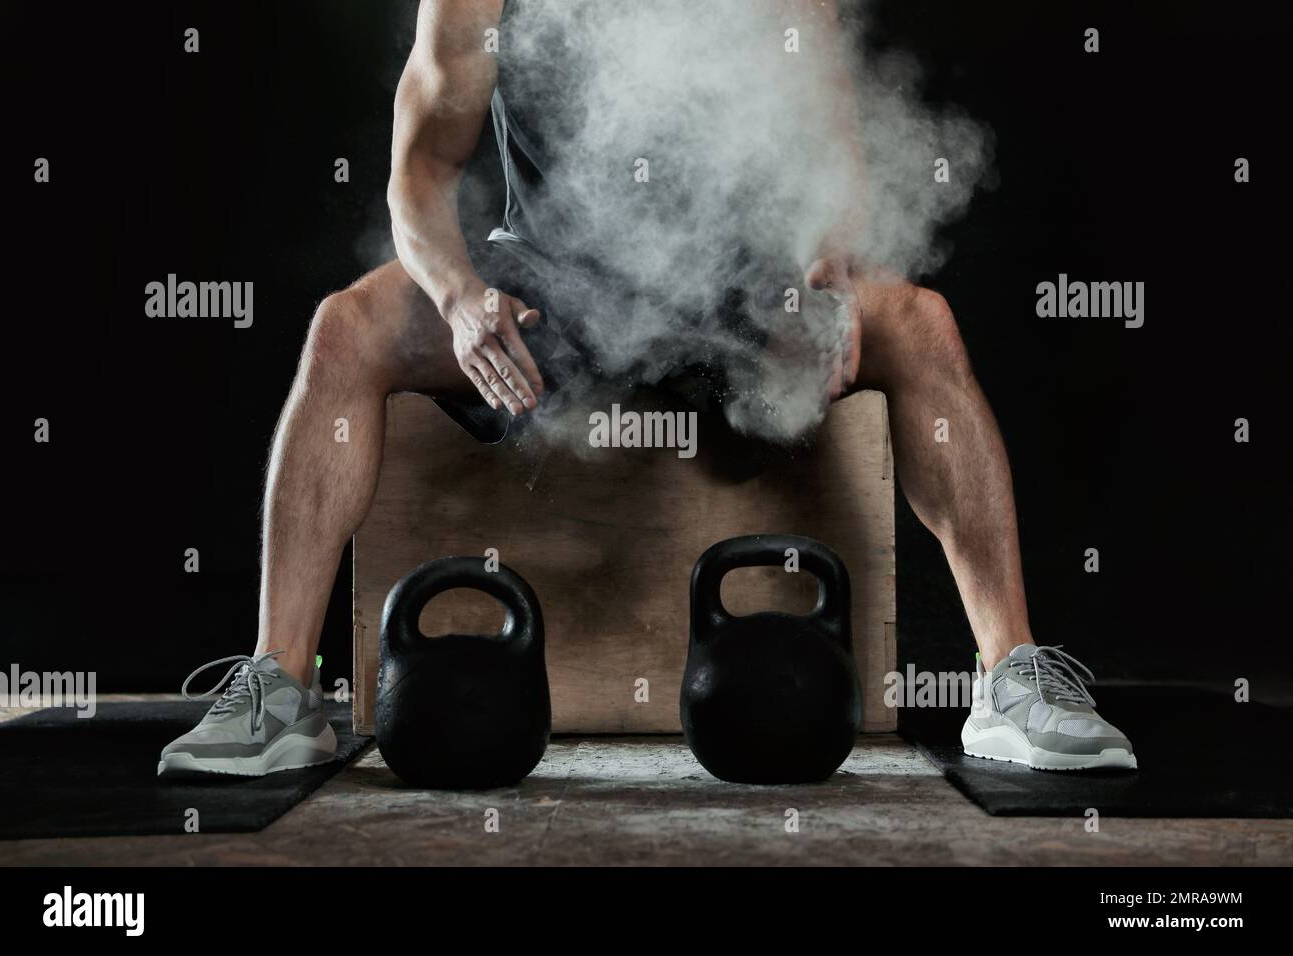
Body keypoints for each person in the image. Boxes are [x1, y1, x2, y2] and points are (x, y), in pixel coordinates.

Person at [158, 0, 1135, 778]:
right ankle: (281, 685)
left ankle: (1009, 677)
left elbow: (834, 152)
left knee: (919, 321)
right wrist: (459, 297)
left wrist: (822, 281)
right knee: (348, 326)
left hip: (742, 286)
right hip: (556, 288)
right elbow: (416, 176)